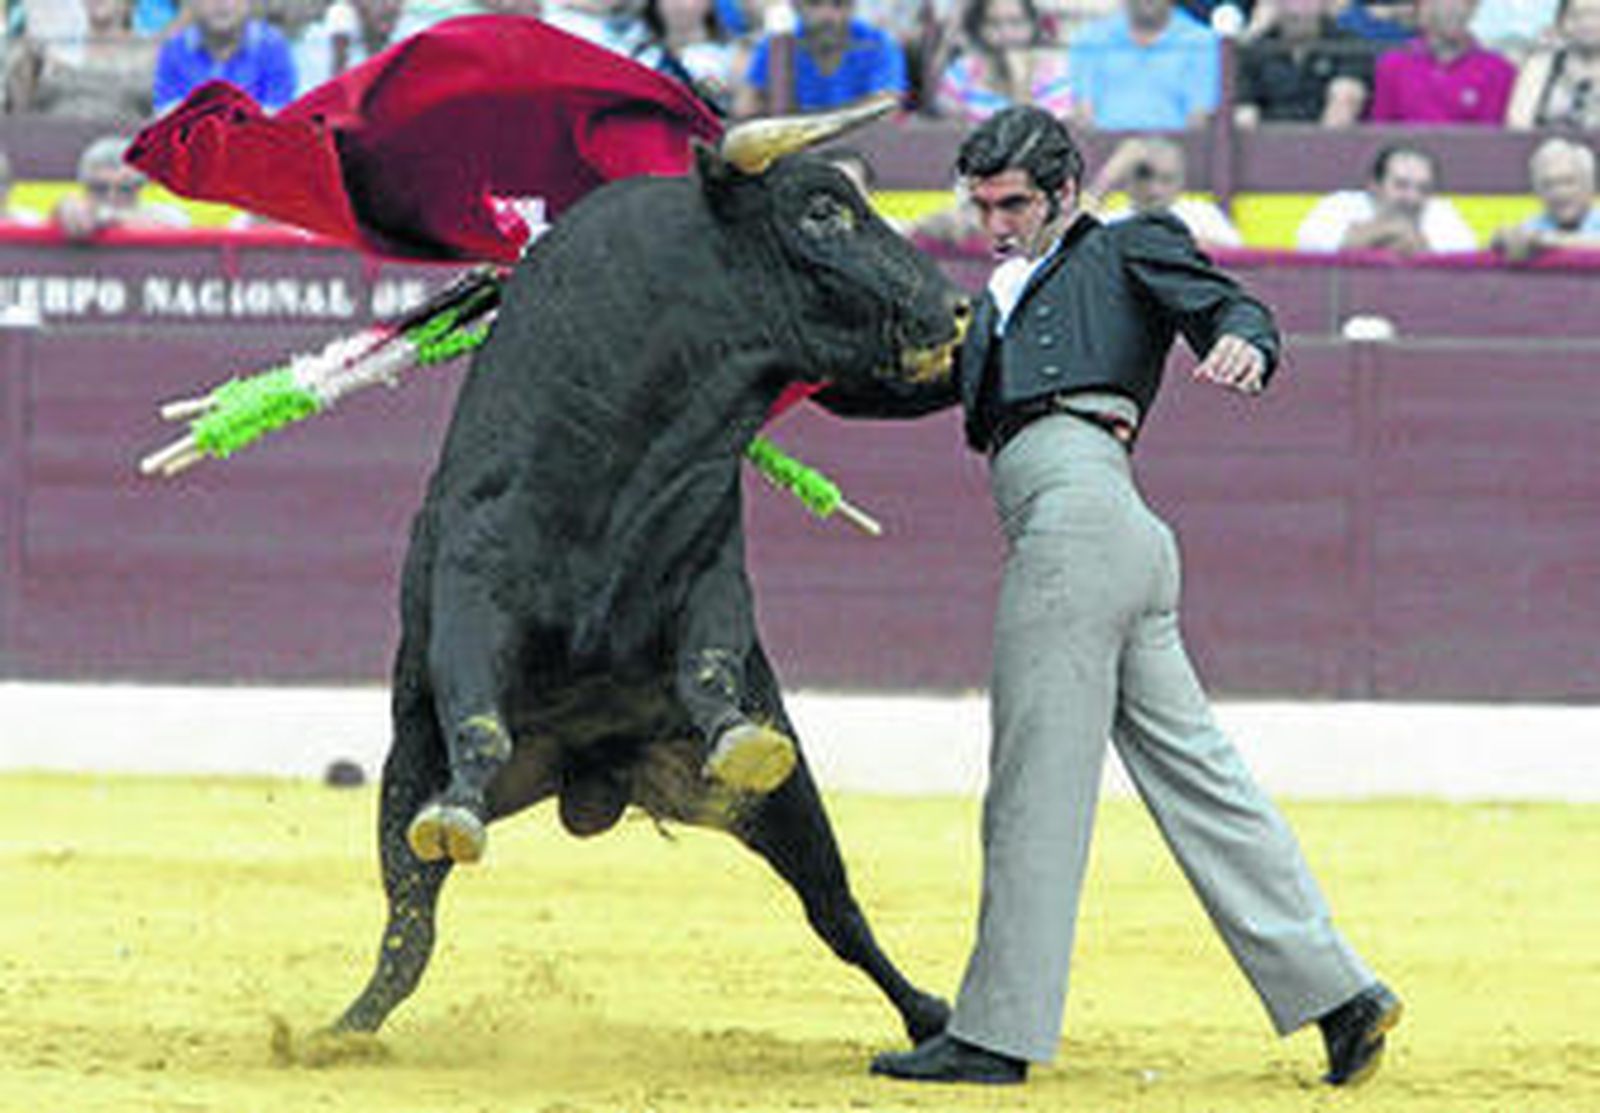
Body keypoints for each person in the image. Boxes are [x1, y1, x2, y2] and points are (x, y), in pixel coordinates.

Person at [814, 105, 1399, 1089]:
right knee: (1202, 779)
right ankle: (1340, 995)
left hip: (1075, 530)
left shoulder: (1128, 245)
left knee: (1033, 788)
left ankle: (995, 1034)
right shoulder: (999, 298)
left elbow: (1230, 308)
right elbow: (894, 388)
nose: (995, 222)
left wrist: (1246, 346)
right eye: (981, 203)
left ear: (1067, 193)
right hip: (1112, 539)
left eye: (1014, 203)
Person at [735, 0, 908, 115]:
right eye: (815, 3)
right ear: (795, 5)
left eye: (839, 3)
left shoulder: (879, 46)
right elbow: (745, 110)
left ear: (853, 5)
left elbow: (886, 113)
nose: (827, 16)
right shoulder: (775, 47)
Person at [1067, 0, 1220, 130]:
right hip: (1104, 155)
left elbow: (1199, 119)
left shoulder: (1203, 42)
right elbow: (1084, 115)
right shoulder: (1090, 39)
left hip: (1176, 155)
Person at [1295, 144, 1477, 253]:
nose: (1413, 197)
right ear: (1374, 186)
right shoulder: (1338, 206)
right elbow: (1309, 248)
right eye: (1401, 185)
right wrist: (1384, 231)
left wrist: (1422, 247)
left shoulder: (1442, 213)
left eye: (1423, 189)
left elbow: (1465, 262)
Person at [4, 0, 157, 126]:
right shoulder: (51, 46)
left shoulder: (150, 52)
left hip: (119, 148)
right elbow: (19, 112)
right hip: (50, 142)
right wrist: (28, 62)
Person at [1369, 0, 1517, 122]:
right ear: (1422, 9)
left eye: (1464, 3)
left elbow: (1490, 142)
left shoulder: (1499, 71)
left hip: (1468, 156)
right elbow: (1381, 134)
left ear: (1473, 8)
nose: (1453, 8)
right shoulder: (1392, 65)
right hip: (1406, 155)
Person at [1234, 0, 1376, 126]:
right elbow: (1244, 113)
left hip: (1328, 145)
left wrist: (1314, 151)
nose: (1300, 5)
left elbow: (1345, 104)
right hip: (1265, 145)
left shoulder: (1348, 44)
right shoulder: (1254, 49)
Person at [1086, 135, 1242, 247]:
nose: (1155, 190)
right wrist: (1107, 177)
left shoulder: (1203, 215)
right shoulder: (1110, 220)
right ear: (1128, 181)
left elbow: (1237, 259)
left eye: (1166, 179)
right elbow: (1069, 248)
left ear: (1181, 181)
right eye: (1144, 178)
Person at [935, 0, 1075, 121]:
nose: (1005, 33)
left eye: (1016, 23)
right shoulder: (963, 71)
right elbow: (948, 130)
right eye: (993, 24)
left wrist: (1021, 85)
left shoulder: (1052, 72)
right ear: (980, 29)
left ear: (1032, 27)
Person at [153, 0, 297, 113]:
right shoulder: (175, 49)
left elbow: (278, 113)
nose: (221, 3)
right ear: (192, 3)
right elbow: (166, 113)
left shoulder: (272, 47)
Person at [50, 134, 190, 242]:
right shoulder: (75, 208)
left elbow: (178, 223)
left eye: (125, 189)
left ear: (139, 188)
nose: (112, 196)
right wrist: (63, 210)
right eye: (100, 188)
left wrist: (106, 217)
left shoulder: (162, 214)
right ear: (85, 186)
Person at [1491, 136, 1600, 260]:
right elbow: (1506, 240)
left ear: (1589, 186)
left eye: (1568, 182)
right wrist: (1500, 239)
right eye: (1548, 185)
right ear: (1538, 193)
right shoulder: (1534, 227)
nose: (1559, 192)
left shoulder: (1540, 237)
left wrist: (1553, 241)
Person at [1505, 0, 1600, 127]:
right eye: (1577, 15)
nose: (1587, 23)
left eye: (1596, 14)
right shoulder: (1538, 67)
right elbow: (1517, 129)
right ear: (1562, 21)